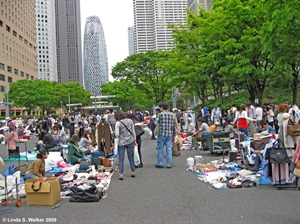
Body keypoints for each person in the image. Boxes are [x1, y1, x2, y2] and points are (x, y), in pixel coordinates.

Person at [115, 110, 137, 180]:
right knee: (131, 156)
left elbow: (117, 134)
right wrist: (134, 139)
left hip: (121, 142)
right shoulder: (130, 121)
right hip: (130, 141)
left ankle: (121, 174)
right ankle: (133, 171)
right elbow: (133, 131)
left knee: (121, 158)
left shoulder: (118, 123)